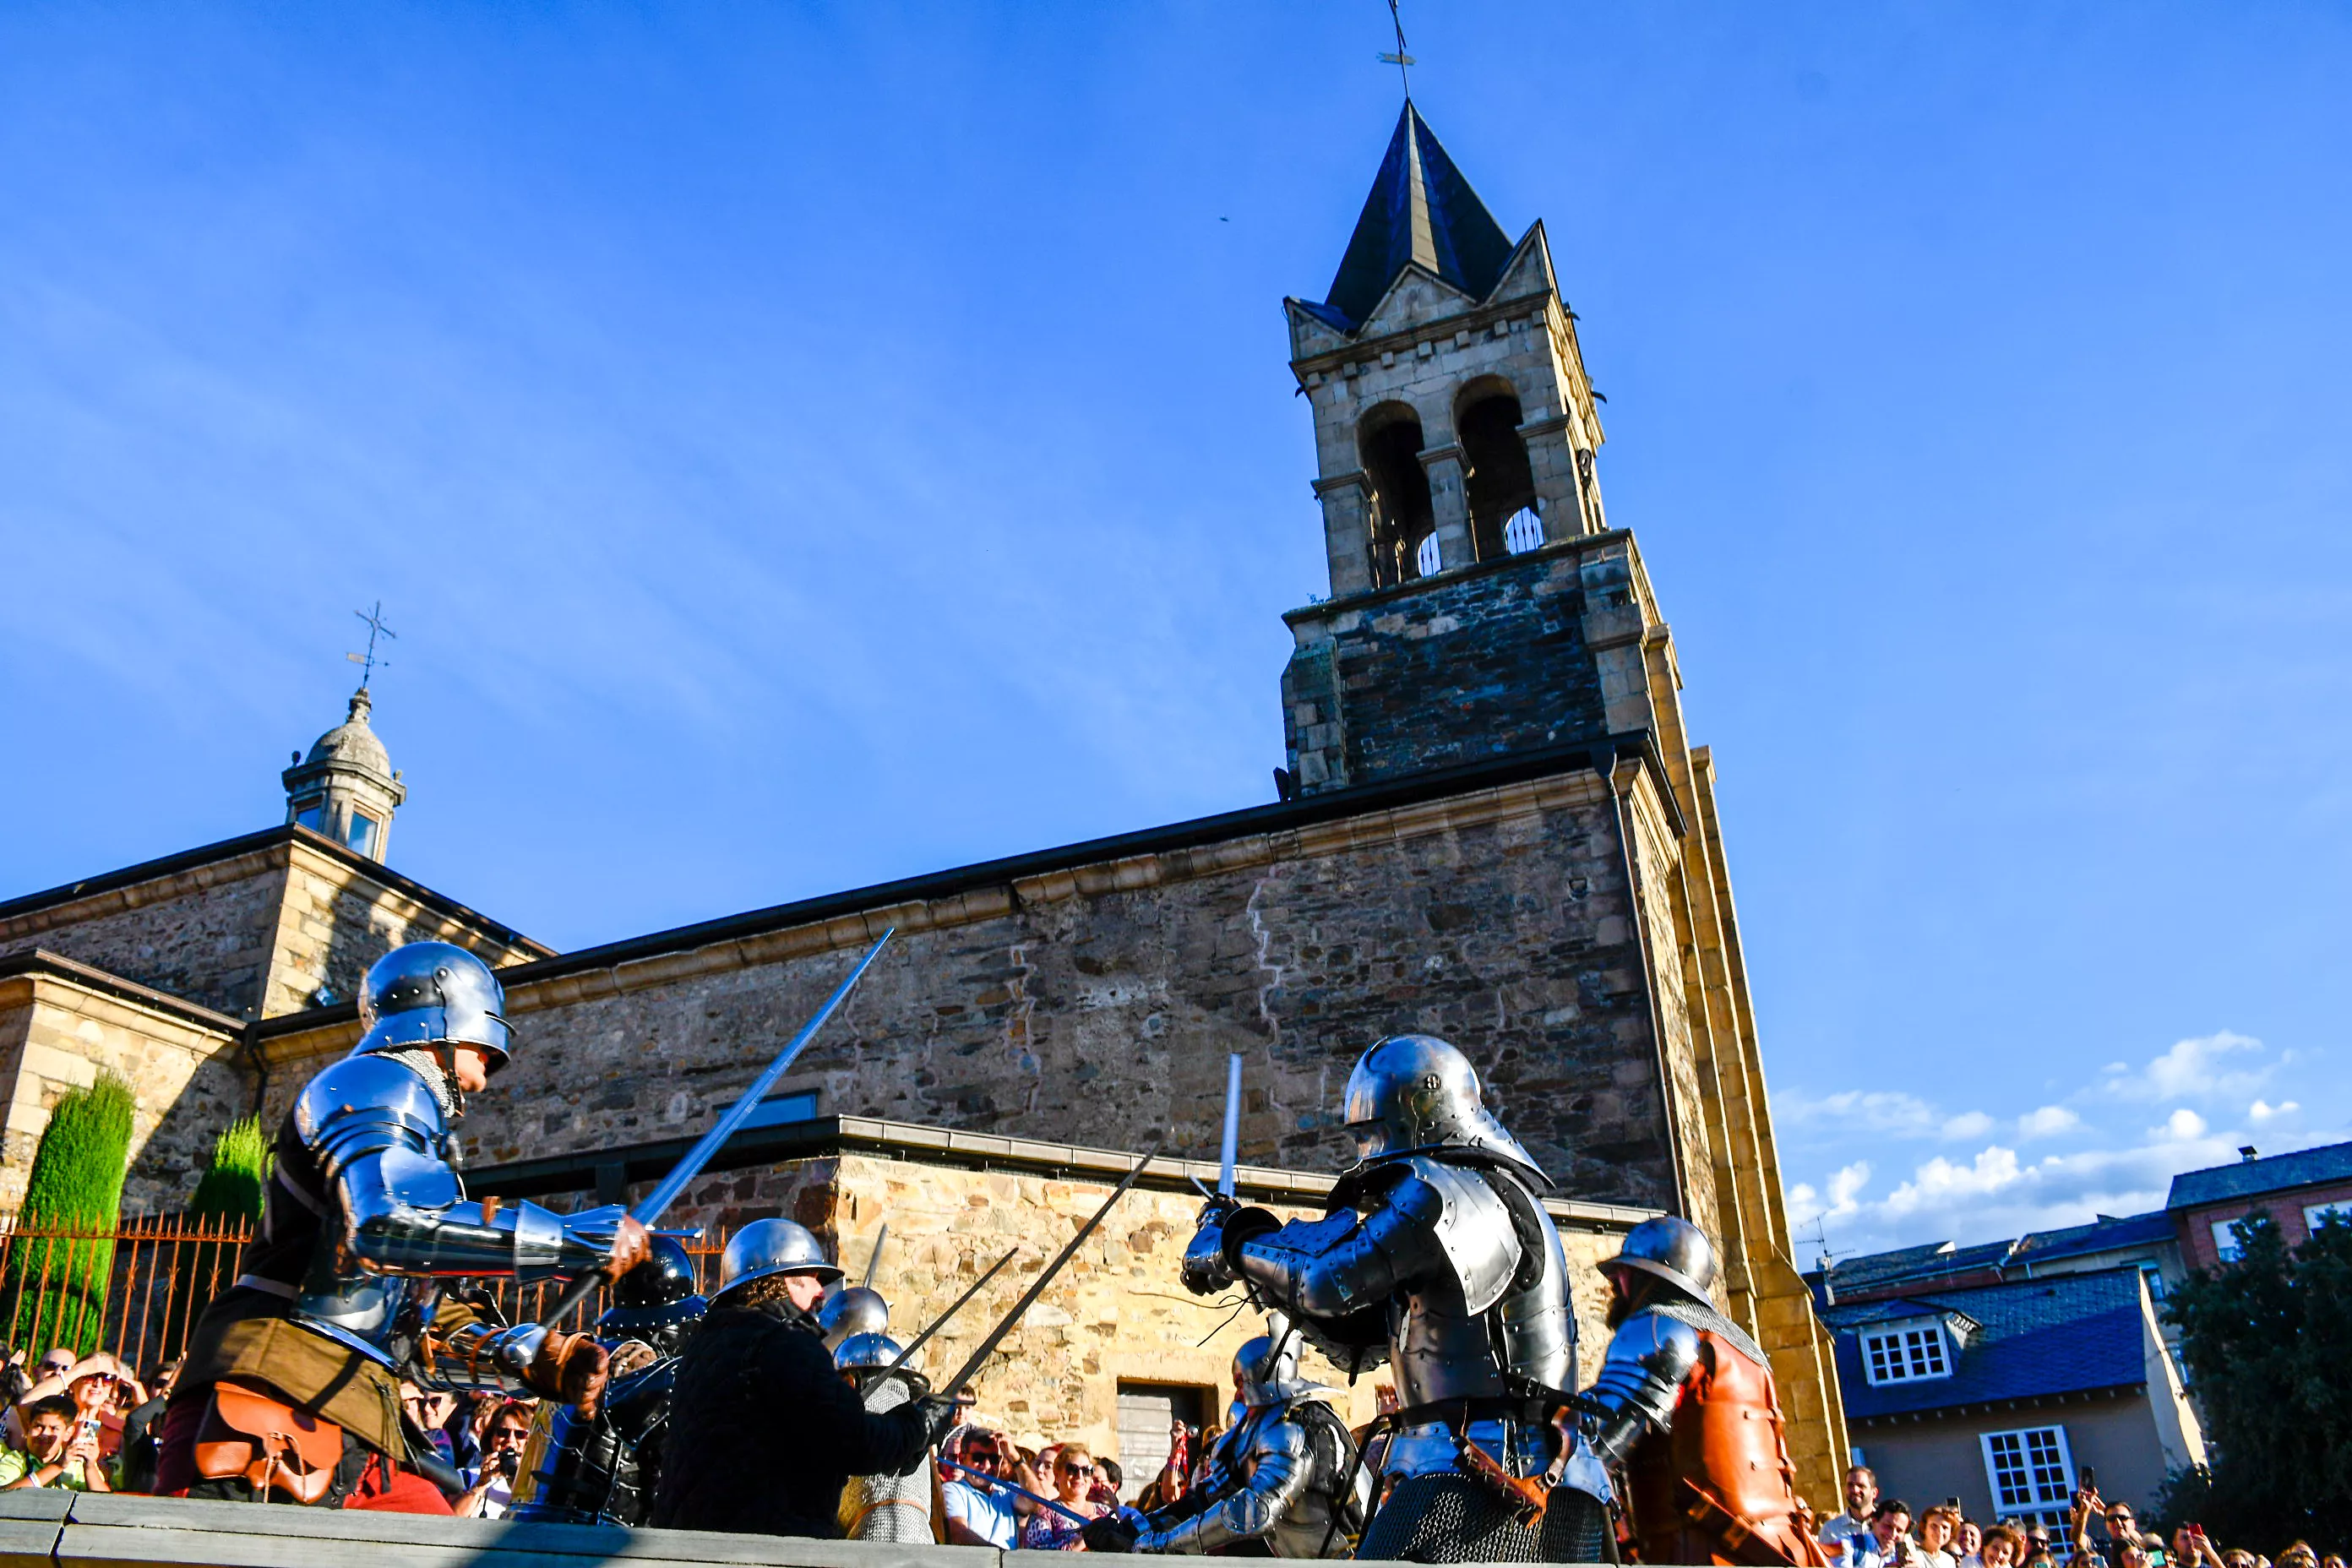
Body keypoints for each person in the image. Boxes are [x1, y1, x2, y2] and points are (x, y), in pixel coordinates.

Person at [153, 942, 649, 1511]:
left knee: (436, 1541)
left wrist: (533, 1358)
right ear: (447, 1017)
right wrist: (567, 1241)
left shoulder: (408, 1122)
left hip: (359, 1408)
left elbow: (413, 1324)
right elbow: (386, 1226)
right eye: (485, 1045)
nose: (486, 1073)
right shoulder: (377, 1083)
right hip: (275, 1389)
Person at [1182, 1035, 1597, 1563]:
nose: (1369, 1150)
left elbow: (1328, 1280)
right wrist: (1266, 1276)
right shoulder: (1497, 1195)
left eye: (1373, 1132)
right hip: (1527, 1471)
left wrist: (1236, 1240)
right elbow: (1360, 1338)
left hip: (1482, 1468)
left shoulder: (1445, 1192)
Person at [647, 1217, 954, 1537]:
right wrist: (920, 1425)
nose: (821, 1292)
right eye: (808, 1279)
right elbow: (853, 1442)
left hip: (690, 1542)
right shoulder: (783, 1344)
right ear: (777, 1282)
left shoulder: (704, 1348)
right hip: (763, 1546)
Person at [1576, 1215, 1830, 1567]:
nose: (1613, 1285)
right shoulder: (1743, 1349)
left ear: (1648, 1278)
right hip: (1774, 1551)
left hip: (1701, 1554)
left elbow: (1591, 1447)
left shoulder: (1658, 1328)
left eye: (1623, 1274)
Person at [1086, 1319, 1367, 1558]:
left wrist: (1159, 1545)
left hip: (1351, 1558)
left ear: (1261, 1379)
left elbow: (1255, 1511)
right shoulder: (1253, 1434)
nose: (1237, 1394)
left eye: (1240, 1382)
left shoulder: (1298, 1429)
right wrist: (1134, 1529)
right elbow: (1202, 1500)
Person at [509, 1235, 706, 1526]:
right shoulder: (649, 1371)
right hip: (591, 1535)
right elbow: (669, 1485)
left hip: (523, 1522)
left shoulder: (577, 1356)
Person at [834, 1331, 934, 1543]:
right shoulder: (916, 1422)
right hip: (921, 1540)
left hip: (868, 1537)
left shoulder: (857, 1412)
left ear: (850, 1380)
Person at [2, 1395, 112, 1491]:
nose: (44, 1434)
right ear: (28, 1427)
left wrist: (90, 1467)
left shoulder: (76, 1465)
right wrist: (57, 1466)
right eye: (38, 1426)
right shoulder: (15, 1461)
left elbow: (105, 1503)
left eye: (54, 1428)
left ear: (68, 1433)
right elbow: (4, 1496)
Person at [941, 1427, 1026, 1549]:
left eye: (994, 1459)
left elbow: (1036, 1504)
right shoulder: (953, 1490)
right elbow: (958, 1532)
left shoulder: (1008, 1491)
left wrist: (1015, 1457)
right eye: (978, 1458)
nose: (986, 1466)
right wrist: (999, 1554)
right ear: (962, 1458)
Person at [1019, 1445, 1108, 1550]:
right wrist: (1081, 1540)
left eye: (1086, 1470)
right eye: (1072, 1469)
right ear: (1057, 1475)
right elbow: (1035, 1555)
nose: (1079, 1476)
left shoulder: (1105, 1512)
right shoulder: (1045, 1513)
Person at [455, 1400, 534, 1518]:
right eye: (503, 1432)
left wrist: (516, 1478)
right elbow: (453, 1518)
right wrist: (481, 1483)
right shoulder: (467, 1477)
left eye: (520, 1434)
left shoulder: (535, 1485)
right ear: (491, 1436)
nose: (511, 1440)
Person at [1821, 1468, 1881, 1555]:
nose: (1855, 1490)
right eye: (1850, 1485)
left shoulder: (1888, 1526)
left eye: (1861, 1486)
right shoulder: (1830, 1529)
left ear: (1874, 1493)